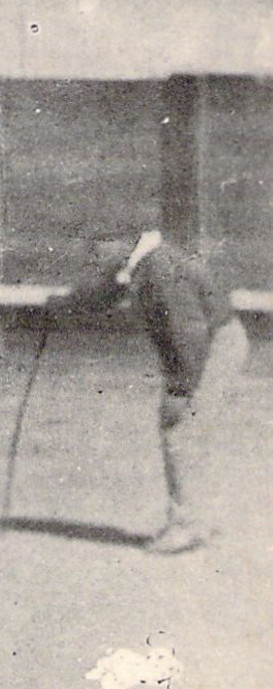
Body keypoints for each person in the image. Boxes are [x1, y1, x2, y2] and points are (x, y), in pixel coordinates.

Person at [45, 229, 248, 554]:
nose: (94, 259)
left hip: (212, 347)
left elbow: (188, 332)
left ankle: (186, 526)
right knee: (189, 431)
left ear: (120, 244)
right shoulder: (143, 261)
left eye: (98, 251)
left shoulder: (160, 271)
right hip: (214, 340)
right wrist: (66, 305)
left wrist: (181, 390)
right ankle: (199, 518)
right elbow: (108, 290)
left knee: (180, 430)